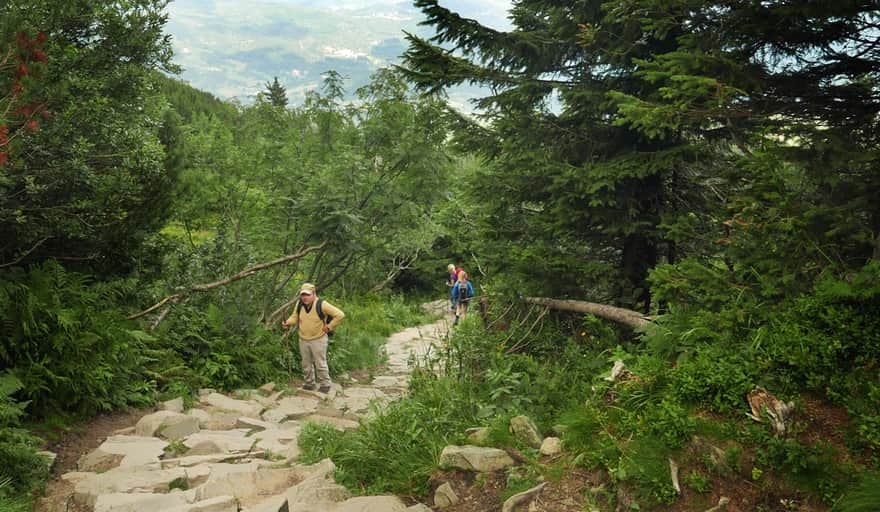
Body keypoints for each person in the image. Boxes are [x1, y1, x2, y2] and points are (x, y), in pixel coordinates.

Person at [281, 283, 345, 393]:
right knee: (306, 363)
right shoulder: (300, 304)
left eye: (307, 295)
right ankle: (309, 383)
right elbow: (295, 316)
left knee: (320, 363)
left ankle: (325, 384)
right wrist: (288, 323)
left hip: (318, 339)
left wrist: (329, 327)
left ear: (314, 294)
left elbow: (340, 315)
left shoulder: (322, 304)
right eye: (303, 295)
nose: (305, 297)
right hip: (303, 338)